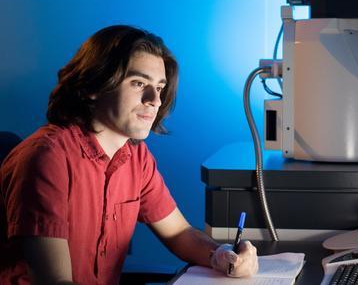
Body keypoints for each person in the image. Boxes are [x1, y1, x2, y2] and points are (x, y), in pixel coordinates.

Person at [0, 25, 258, 284]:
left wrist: (221, 255)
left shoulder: (136, 157)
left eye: (159, 87)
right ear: (94, 86)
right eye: (138, 83)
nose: (155, 100)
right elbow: (54, 282)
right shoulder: (46, 158)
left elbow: (179, 232)